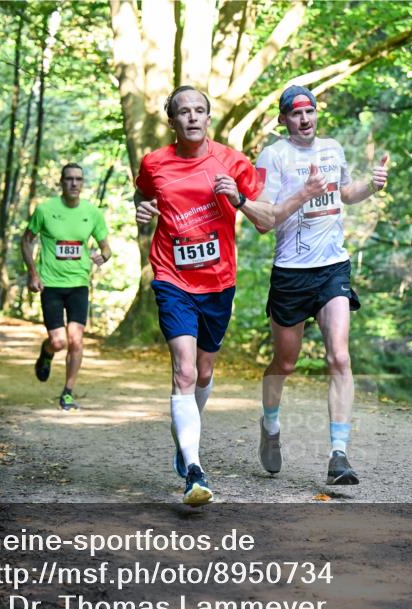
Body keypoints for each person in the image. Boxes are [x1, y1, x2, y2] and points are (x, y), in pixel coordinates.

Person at [134, 85, 326, 505]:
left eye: (200, 111)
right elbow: (143, 194)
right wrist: (142, 210)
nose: (192, 118)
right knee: (184, 372)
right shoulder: (154, 163)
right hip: (172, 277)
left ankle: (185, 436)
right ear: (172, 121)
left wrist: (237, 198)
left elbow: (266, 220)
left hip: (218, 282)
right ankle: (194, 469)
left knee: (203, 373)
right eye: (183, 112)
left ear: (208, 118)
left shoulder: (231, 161)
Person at [254, 85, 388, 485]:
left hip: (333, 268)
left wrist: (373, 186)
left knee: (340, 358)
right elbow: (264, 218)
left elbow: (346, 193)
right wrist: (304, 193)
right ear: (283, 120)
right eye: (295, 114)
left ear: (316, 113)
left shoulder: (332, 149)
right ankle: (271, 425)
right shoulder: (273, 156)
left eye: (309, 111)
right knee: (286, 364)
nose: (304, 119)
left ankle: (339, 455)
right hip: (291, 273)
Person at [23, 163, 112, 411]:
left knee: (76, 340)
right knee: (59, 341)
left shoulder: (91, 213)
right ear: (61, 182)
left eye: (78, 179)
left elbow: (106, 247)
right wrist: (32, 274)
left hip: (78, 285)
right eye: (69, 179)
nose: (74, 183)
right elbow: (26, 241)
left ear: (83, 183)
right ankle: (46, 351)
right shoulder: (45, 210)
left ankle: (68, 392)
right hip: (50, 284)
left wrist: (103, 256)